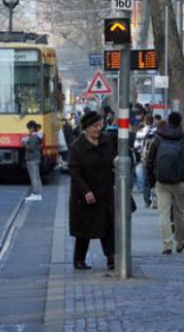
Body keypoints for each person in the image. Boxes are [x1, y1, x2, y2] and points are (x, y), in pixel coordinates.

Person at [68, 111, 116, 270]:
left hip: (105, 191)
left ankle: (111, 258)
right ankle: (79, 260)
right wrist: (86, 191)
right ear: (86, 128)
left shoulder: (107, 140)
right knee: (84, 229)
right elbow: (74, 172)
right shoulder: (76, 147)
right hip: (85, 195)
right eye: (95, 126)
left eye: (100, 125)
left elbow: (115, 158)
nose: (98, 129)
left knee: (107, 227)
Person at [145, 112, 184, 254]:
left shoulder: (158, 138)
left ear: (167, 122)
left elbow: (149, 160)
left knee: (164, 213)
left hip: (162, 181)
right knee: (180, 213)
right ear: (180, 122)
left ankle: (167, 245)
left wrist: (152, 179)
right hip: (180, 181)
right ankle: (180, 242)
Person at [133, 114, 156, 206]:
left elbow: (136, 146)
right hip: (156, 158)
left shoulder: (140, 132)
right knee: (155, 178)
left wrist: (142, 152)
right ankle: (155, 198)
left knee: (146, 179)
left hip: (145, 158)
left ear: (144, 121)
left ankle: (147, 200)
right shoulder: (156, 131)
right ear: (153, 121)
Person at [23, 120, 43, 201]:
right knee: (37, 177)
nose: (28, 129)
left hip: (32, 159)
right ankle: (38, 193)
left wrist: (24, 142)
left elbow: (31, 148)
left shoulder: (33, 137)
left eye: (28, 128)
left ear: (31, 128)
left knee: (33, 177)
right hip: (36, 158)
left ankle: (35, 193)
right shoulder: (37, 136)